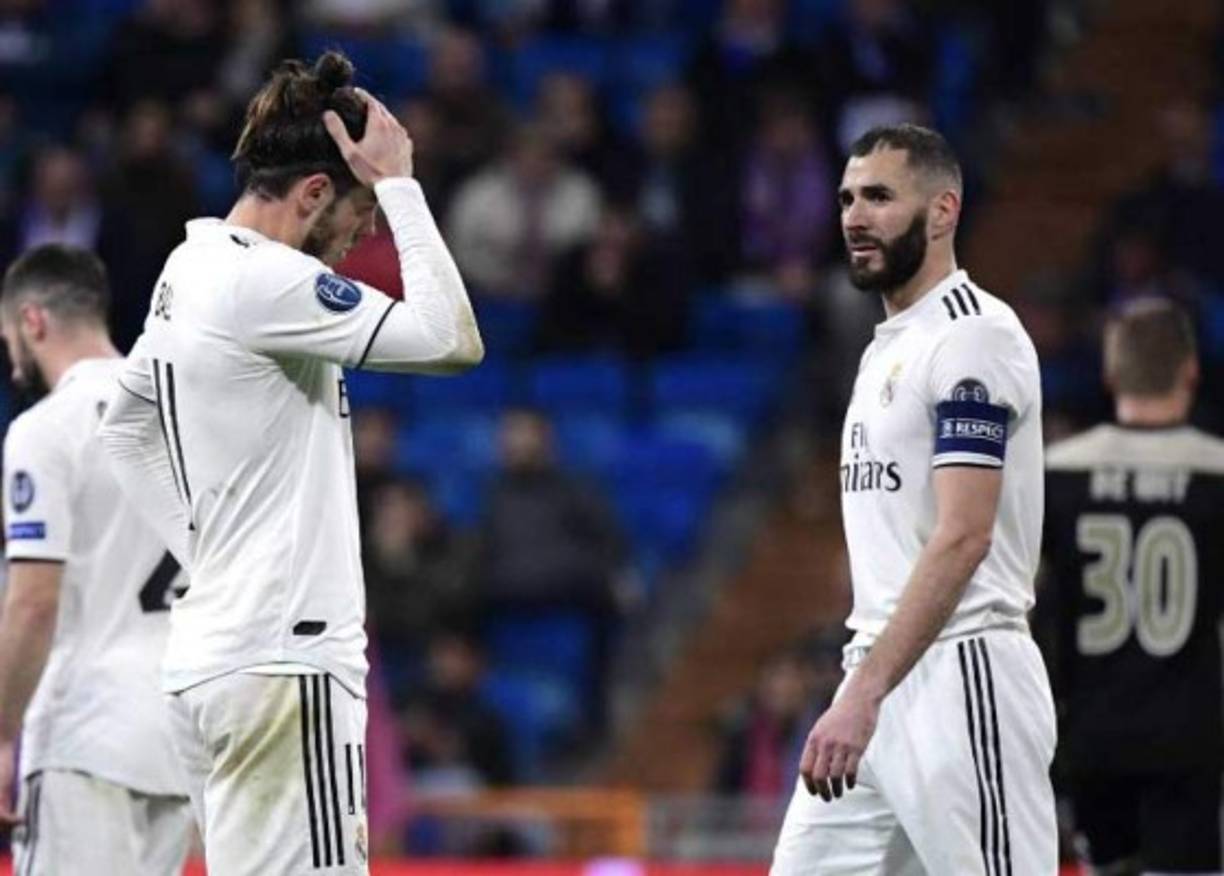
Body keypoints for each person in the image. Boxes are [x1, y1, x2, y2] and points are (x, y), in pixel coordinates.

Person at [98, 51, 483, 875]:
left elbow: (123, 428)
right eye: (358, 213)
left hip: (212, 663)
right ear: (314, 193)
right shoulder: (266, 281)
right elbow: (453, 341)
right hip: (284, 665)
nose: (361, 236)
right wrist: (405, 186)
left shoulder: (188, 266)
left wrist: (206, 553)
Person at [770, 124, 1057, 874]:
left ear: (942, 212)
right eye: (845, 198)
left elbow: (966, 535)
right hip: (876, 679)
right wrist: (863, 690)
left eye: (879, 197)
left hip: (963, 673)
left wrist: (863, 693)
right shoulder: (888, 345)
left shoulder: (973, 339)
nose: (854, 217)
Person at [0, 244, 192, 874]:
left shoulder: (46, 429)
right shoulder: (188, 413)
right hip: (181, 734)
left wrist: (1, 735)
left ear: (32, 322)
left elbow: (33, 603)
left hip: (84, 731)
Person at [1042, 298, 1224, 875]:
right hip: (1193, 736)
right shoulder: (1216, 474)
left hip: (1090, 734)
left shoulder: (1055, 473)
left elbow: (1028, 608)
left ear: (1111, 373)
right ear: (1191, 370)